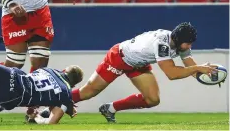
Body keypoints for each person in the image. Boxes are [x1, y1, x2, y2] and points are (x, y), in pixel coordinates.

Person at [70, 22, 217, 123]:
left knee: (153, 99)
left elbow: (191, 67)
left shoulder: (182, 45)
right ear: (178, 39)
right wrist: (198, 68)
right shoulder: (162, 43)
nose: (189, 46)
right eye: (188, 42)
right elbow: (172, 74)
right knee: (88, 92)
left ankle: (110, 108)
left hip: (138, 63)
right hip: (119, 57)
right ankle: (55, 102)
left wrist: (207, 75)